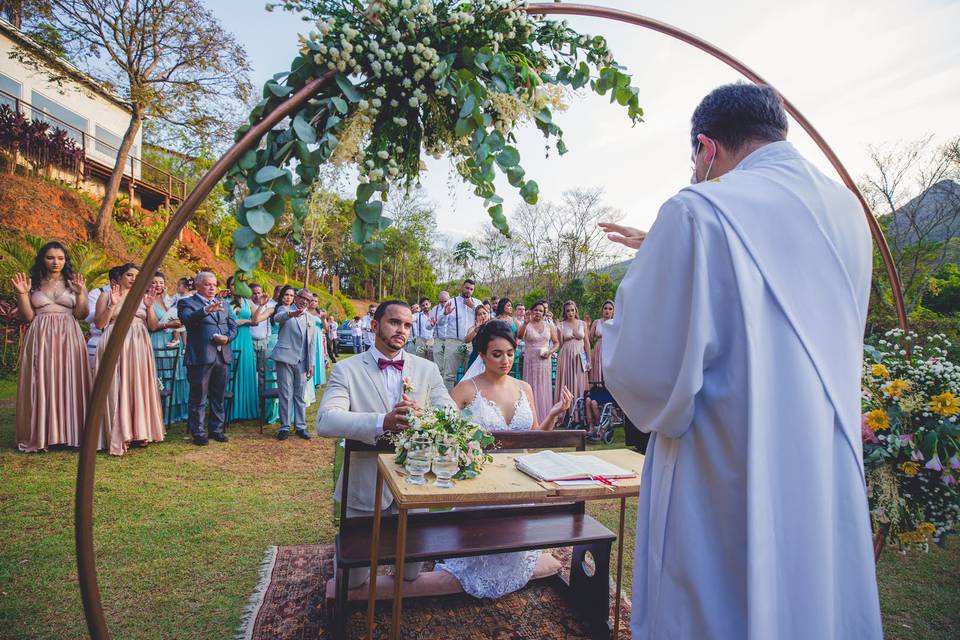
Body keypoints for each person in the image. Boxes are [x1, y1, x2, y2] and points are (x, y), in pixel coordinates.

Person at [601, 83, 882, 639]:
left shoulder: (696, 209)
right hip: (821, 461)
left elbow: (644, 373)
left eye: (694, 162)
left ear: (706, 149)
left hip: (722, 465)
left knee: (718, 605)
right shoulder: (849, 213)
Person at [315, 300, 455, 589]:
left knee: (410, 575)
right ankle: (344, 562)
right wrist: (383, 421)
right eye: (394, 322)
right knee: (354, 579)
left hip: (414, 483)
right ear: (375, 326)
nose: (401, 330)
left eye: (407, 325)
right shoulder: (346, 370)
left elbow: (451, 414)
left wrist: (424, 416)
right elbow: (326, 421)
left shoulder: (427, 369)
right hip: (365, 484)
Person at [436, 321, 572, 598]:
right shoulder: (465, 390)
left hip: (520, 482)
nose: (505, 360)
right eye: (497, 354)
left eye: (510, 353)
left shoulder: (525, 388)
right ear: (482, 355)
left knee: (516, 550)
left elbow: (535, 437)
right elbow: (445, 438)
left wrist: (553, 415)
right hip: (481, 484)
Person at [13, 241, 91, 452]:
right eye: (50, 258)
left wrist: (81, 293)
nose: (56, 262)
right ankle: (43, 434)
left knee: (70, 379)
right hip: (41, 335)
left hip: (69, 334)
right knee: (42, 381)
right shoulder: (34, 284)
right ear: (42, 259)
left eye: (60, 258)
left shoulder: (73, 283)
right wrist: (22, 294)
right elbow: (28, 316)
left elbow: (81, 315)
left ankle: (70, 433)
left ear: (65, 261)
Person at [94, 263, 165, 455]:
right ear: (120, 277)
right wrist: (112, 304)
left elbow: (152, 326)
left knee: (138, 385)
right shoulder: (106, 295)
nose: (134, 279)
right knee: (115, 385)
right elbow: (100, 323)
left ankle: (139, 431)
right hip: (115, 340)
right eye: (130, 275)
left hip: (139, 342)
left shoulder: (144, 298)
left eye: (137, 276)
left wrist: (149, 307)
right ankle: (117, 433)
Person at [178, 272, 237, 446]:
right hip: (201, 357)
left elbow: (233, 327)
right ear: (197, 286)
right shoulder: (186, 302)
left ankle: (217, 430)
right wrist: (205, 310)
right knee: (199, 397)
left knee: (218, 396)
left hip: (222, 355)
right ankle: (198, 432)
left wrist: (228, 338)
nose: (212, 288)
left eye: (214, 284)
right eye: (207, 284)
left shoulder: (224, 304)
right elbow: (187, 320)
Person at [270, 288, 316, 440]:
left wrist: (311, 364)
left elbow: (312, 343)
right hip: (285, 358)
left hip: (302, 361)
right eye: (302, 297)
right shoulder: (286, 309)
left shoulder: (310, 318)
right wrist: (292, 314)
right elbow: (278, 318)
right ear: (296, 298)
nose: (304, 301)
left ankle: (301, 426)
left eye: (308, 300)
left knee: (300, 395)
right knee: (286, 393)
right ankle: (284, 426)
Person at [147, 271, 188, 424]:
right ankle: (160, 413)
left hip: (174, 339)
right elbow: (151, 326)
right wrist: (170, 324)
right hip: (158, 340)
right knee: (161, 376)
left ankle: (177, 411)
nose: (158, 285)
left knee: (177, 375)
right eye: (154, 282)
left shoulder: (167, 300)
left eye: (161, 282)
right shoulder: (146, 301)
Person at [436, 279, 482, 389]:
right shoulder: (451, 302)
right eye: (467, 288)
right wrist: (444, 314)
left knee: (471, 375)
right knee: (449, 376)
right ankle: (447, 403)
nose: (469, 291)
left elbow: (485, 317)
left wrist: (473, 307)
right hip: (453, 342)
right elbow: (440, 323)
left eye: (471, 289)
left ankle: (467, 402)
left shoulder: (477, 303)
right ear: (462, 287)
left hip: (471, 344)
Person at [517, 301, 558, 422]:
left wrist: (550, 352)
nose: (538, 313)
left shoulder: (549, 326)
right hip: (530, 361)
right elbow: (519, 336)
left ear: (544, 313)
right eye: (536, 310)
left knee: (544, 388)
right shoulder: (527, 324)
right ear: (532, 311)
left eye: (541, 311)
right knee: (531, 386)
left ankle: (545, 418)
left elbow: (557, 343)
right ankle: (530, 419)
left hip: (545, 361)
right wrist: (525, 323)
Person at [226, 276, 259, 421]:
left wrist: (262, 306)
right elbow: (230, 321)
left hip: (246, 340)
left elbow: (256, 321)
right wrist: (247, 321)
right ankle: (229, 410)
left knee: (245, 370)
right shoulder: (224, 302)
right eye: (233, 285)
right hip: (231, 339)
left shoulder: (248, 302)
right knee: (230, 371)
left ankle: (246, 410)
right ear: (229, 287)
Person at [85, 265, 125, 370]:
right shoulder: (97, 293)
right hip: (98, 340)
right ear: (113, 282)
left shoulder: (131, 295)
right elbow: (89, 317)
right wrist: (107, 309)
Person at [554, 301, 589, 406]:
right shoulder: (561, 324)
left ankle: (580, 411)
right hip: (566, 356)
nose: (570, 313)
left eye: (572, 310)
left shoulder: (582, 323)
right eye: (568, 310)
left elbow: (587, 342)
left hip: (580, 356)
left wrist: (589, 360)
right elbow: (560, 345)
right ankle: (567, 411)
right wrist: (559, 331)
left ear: (576, 310)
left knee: (579, 382)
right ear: (565, 312)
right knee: (567, 382)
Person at [588, 300, 614, 385]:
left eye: (610, 309)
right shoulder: (596, 322)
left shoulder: (616, 323)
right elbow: (589, 339)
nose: (607, 311)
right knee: (598, 373)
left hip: (611, 350)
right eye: (605, 308)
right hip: (598, 350)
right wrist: (587, 326)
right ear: (602, 310)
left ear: (613, 311)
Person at [462, 303, 490, 375]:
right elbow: (466, 340)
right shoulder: (473, 328)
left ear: (488, 315)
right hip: (475, 358)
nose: (482, 316)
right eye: (479, 314)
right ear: (476, 317)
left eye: (484, 313)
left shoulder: (493, 327)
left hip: (489, 358)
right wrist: (476, 330)